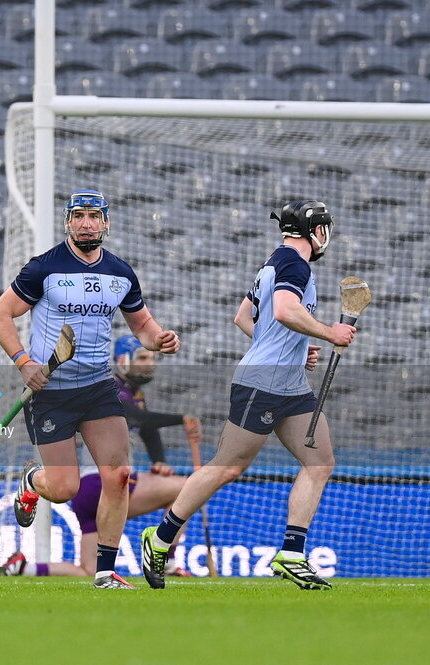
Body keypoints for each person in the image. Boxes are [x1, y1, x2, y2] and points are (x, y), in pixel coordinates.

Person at [140, 200, 354, 591]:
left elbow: (245, 316)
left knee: (320, 461)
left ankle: (291, 553)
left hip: (290, 384)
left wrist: (289, 346)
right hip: (262, 383)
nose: (327, 236)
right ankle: (160, 539)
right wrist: (328, 332)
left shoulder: (276, 262)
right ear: (315, 230)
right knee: (226, 467)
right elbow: (286, 310)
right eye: (325, 228)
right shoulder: (294, 264)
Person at [0, 188, 181, 589]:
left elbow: (142, 326)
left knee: (119, 474)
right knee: (63, 489)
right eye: (79, 215)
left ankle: (105, 571)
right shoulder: (44, 268)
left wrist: (159, 338)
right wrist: (24, 362)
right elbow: (0, 314)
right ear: (68, 222)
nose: (87, 222)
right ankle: (34, 481)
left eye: (94, 216)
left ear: (106, 222)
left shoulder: (120, 273)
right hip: (50, 391)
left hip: (97, 387)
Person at [0, 335, 199, 578]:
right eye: (142, 357)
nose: (149, 363)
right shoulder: (112, 390)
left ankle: (24, 568)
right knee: (186, 489)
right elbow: (140, 420)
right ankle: (167, 561)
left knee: (88, 570)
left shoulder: (134, 395)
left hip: (85, 497)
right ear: (122, 360)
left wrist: (159, 461)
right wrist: (181, 418)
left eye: (151, 357)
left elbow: (146, 426)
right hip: (101, 484)